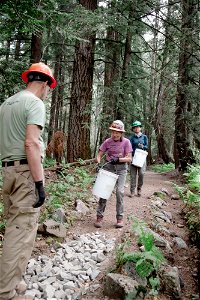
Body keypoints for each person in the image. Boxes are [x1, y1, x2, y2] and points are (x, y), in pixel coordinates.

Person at [0, 62, 56, 300]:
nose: (46, 92)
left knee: (19, 227)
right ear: (44, 83)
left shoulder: (6, 103)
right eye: (48, 87)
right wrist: (39, 183)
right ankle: (5, 292)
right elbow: (31, 143)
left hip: (8, 172)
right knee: (19, 232)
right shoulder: (35, 103)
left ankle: (14, 281)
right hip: (25, 173)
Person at [94, 120, 132, 228]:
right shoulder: (107, 141)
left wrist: (119, 159)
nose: (115, 134)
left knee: (119, 192)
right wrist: (98, 162)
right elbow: (99, 154)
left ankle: (119, 219)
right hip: (108, 167)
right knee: (104, 192)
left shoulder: (126, 142)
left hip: (121, 169)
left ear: (121, 133)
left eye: (117, 132)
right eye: (113, 132)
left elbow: (129, 158)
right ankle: (99, 217)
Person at [129, 120, 148, 197]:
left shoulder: (144, 137)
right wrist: (129, 157)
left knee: (141, 173)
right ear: (133, 129)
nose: (136, 128)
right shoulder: (131, 138)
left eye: (138, 127)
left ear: (140, 128)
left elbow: (147, 147)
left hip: (142, 157)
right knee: (133, 175)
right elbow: (129, 148)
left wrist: (143, 146)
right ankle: (132, 191)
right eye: (135, 127)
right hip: (133, 157)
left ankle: (139, 188)